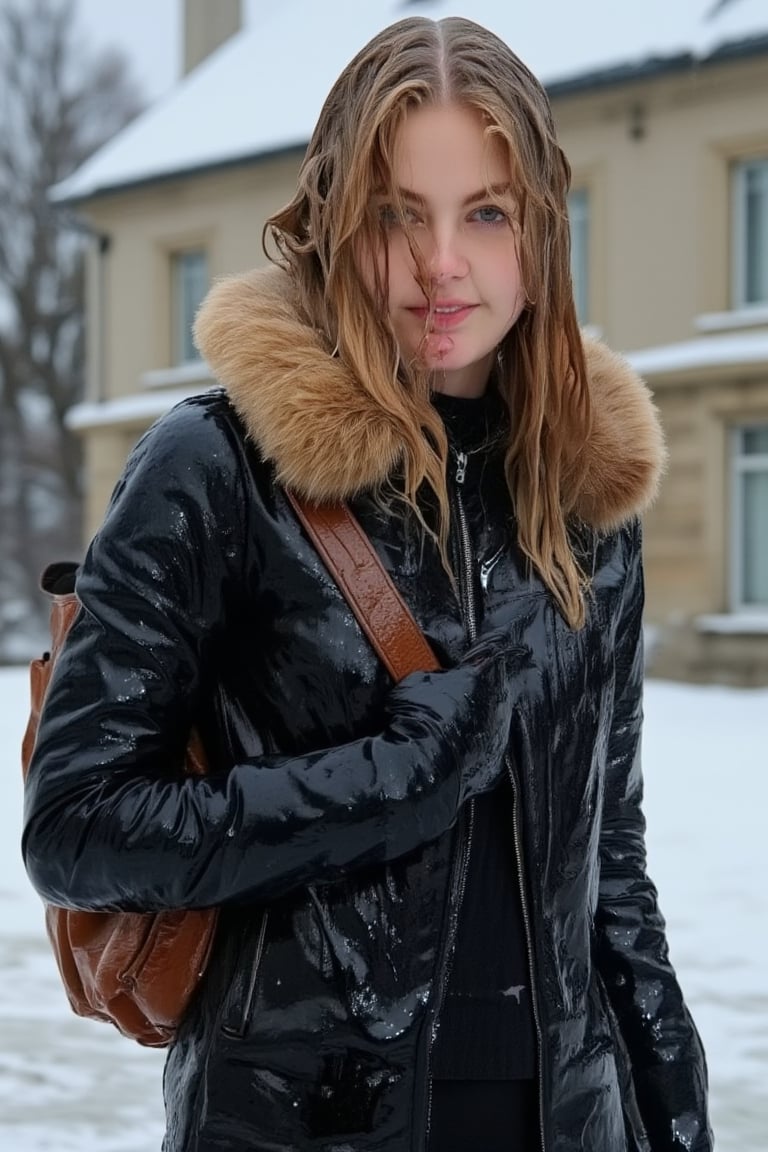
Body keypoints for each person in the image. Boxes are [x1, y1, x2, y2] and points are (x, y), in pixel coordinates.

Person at [22, 15, 712, 1152]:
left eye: (487, 213)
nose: (444, 264)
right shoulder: (217, 467)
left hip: (567, 1122)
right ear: (336, 228)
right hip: (294, 1120)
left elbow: (612, 862)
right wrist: (382, 779)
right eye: (399, 215)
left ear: (542, 232)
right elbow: (78, 827)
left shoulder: (587, 500)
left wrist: (675, 1113)